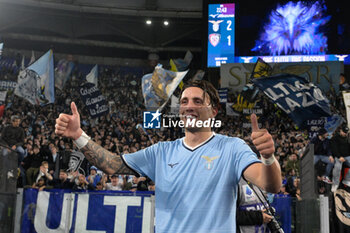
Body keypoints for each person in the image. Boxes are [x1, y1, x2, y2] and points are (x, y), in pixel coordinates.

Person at [55, 80, 281, 233]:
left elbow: (269, 184)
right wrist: (78, 135)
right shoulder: (160, 151)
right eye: (184, 102)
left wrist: (269, 158)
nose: (189, 106)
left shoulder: (233, 147)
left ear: (214, 111)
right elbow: (113, 165)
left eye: (197, 101)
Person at [330, 124, 350, 191]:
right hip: (338, 156)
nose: (345, 134)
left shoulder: (348, 138)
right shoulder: (335, 138)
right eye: (344, 132)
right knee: (337, 168)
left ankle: (347, 180)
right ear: (341, 131)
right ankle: (335, 183)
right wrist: (339, 156)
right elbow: (334, 149)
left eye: (346, 133)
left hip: (347, 156)